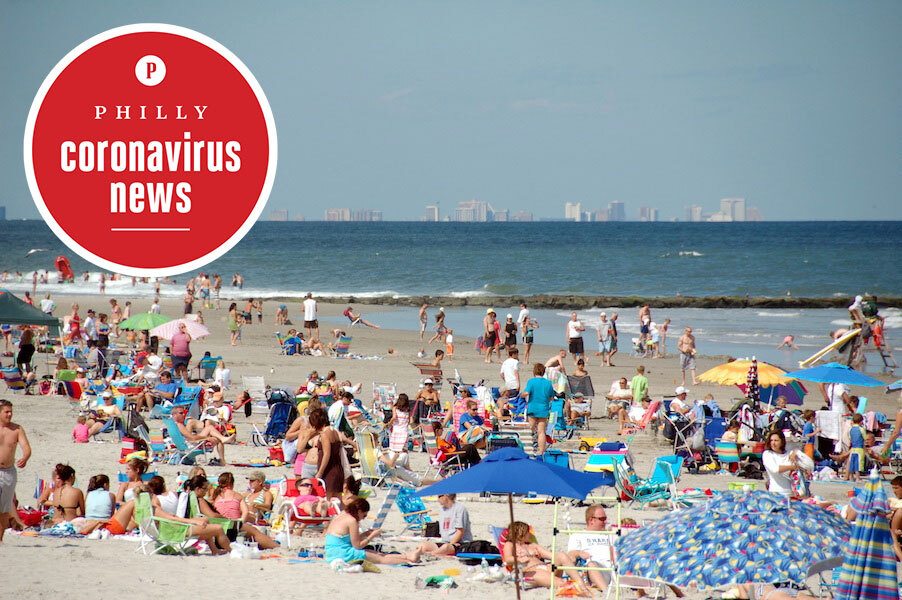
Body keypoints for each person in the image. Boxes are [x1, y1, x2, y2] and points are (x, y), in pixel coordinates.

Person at [324, 498, 421, 565]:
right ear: (359, 511)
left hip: (331, 552)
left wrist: (366, 534)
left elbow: (348, 539)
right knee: (380, 558)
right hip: (342, 554)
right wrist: (371, 536)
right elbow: (357, 545)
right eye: (364, 515)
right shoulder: (352, 521)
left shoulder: (342, 514)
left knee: (372, 552)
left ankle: (408, 556)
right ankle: (409, 559)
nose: (363, 519)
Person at [503, 521, 587, 594]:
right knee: (560, 582)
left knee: (561, 555)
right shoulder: (510, 544)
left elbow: (551, 555)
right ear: (521, 532)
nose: (530, 534)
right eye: (528, 531)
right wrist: (518, 559)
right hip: (530, 572)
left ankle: (581, 584)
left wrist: (567, 558)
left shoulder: (532, 545)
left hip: (546, 568)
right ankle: (576, 588)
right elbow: (507, 559)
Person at [209, 473, 278, 549]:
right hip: (238, 520)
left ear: (260, 482)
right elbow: (244, 511)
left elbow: (268, 505)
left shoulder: (266, 493)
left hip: (251, 516)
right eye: (249, 481)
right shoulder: (246, 494)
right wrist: (240, 522)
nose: (249, 482)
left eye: (252, 481)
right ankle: (276, 546)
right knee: (254, 531)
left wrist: (257, 505)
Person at [0, 400, 31, 541]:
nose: (10, 414)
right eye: (6, 411)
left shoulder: (17, 429)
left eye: (11, 411)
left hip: (8, 471)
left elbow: (26, 447)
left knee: (5, 508)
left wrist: (25, 457)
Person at [566, 504, 615, 592]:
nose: (605, 522)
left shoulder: (610, 534)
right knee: (591, 564)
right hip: (598, 569)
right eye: (602, 519)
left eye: (605, 519)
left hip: (615, 568)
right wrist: (579, 553)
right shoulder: (577, 535)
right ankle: (607, 593)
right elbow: (570, 554)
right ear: (591, 520)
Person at [522, 363, 556, 455]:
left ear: (534, 371)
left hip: (533, 407)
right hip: (543, 408)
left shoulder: (531, 381)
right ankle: (541, 451)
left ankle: (527, 449)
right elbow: (552, 397)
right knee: (541, 432)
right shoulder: (548, 383)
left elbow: (526, 393)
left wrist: (521, 395)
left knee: (530, 429)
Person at [762, 430, 806, 497]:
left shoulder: (788, 453)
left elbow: (805, 465)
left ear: (782, 442)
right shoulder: (768, 454)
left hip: (791, 493)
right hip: (775, 493)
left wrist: (796, 452)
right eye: (771, 440)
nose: (773, 443)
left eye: (776, 440)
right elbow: (775, 469)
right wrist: (792, 467)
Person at [385, 394, 411, 467]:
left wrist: (389, 423)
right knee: (404, 449)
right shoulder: (407, 409)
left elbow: (394, 417)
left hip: (396, 430)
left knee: (395, 450)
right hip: (404, 431)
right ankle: (407, 466)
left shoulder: (395, 408)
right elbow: (409, 421)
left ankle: (392, 463)